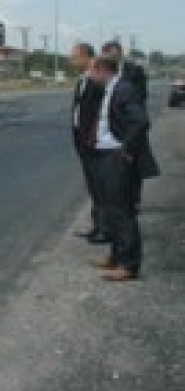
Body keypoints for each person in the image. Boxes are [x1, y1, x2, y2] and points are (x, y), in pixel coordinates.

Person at [82, 55, 160, 282]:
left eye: (91, 71)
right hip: (105, 154)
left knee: (121, 211)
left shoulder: (124, 89)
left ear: (101, 69)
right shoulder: (110, 88)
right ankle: (116, 256)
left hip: (117, 157)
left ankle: (129, 265)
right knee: (110, 209)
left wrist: (126, 149)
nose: (89, 75)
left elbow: (141, 121)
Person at [101, 40, 149, 211]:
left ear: (120, 54)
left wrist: (132, 118)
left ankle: (134, 200)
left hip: (131, 125)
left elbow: (142, 96)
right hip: (111, 127)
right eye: (107, 54)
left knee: (134, 165)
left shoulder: (134, 70)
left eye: (114, 54)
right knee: (114, 168)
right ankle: (117, 202)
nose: (111, 57)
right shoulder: (102, 71)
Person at [68, 42, 108, 244]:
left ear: (86, 56)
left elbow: (101, 111)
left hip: (94, 141)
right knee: (93, 186)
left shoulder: (97, 79)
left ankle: (105, 229)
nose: (71, 60)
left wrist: (93, 137)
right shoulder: (83, 78)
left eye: (74, 56)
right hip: (82, 139)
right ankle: (98, 226)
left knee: (100, 186)